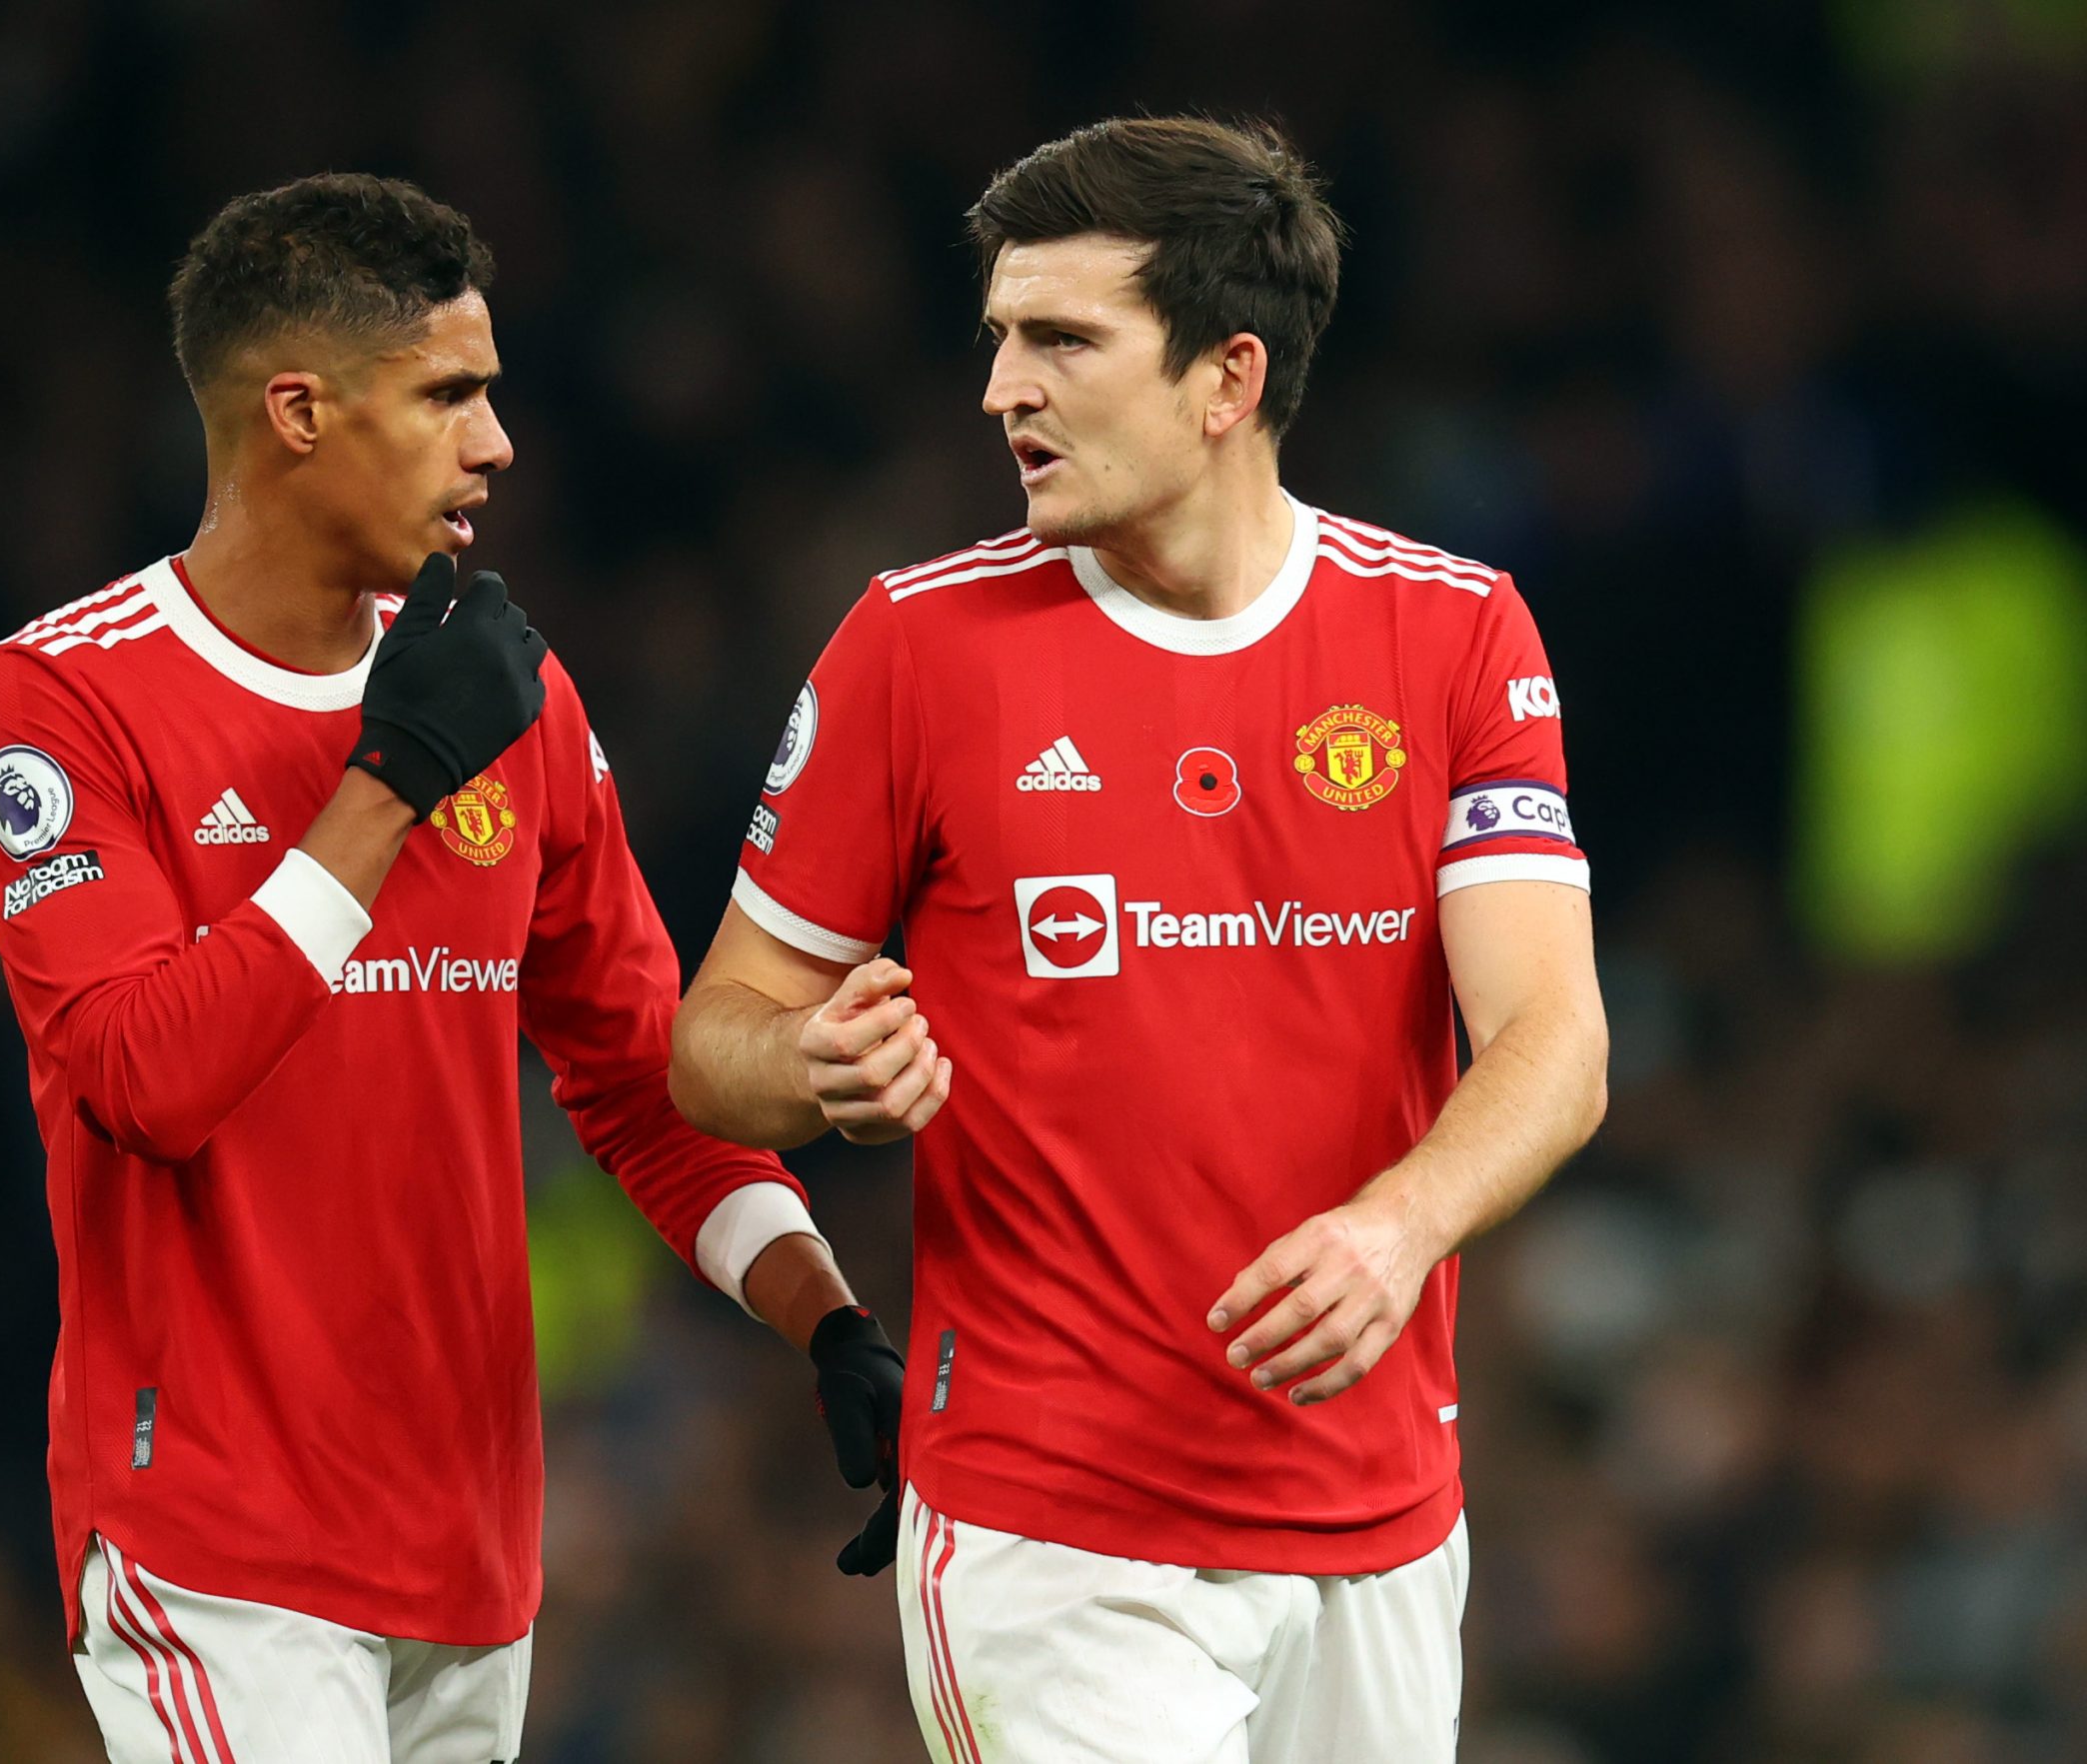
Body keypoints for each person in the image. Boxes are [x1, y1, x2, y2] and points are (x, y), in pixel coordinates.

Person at [670, 117, 1609, 1763]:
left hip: (1380, 1511)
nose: (1000, 390)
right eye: (998, 340)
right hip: (1053, 1534)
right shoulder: (918, 648)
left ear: (1226, 378)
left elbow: (1556, 1037)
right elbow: (714, 1039)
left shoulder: (1453, 633)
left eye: (1060, 340)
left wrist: (1399, 1231)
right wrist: (812, 1064)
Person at [0, 173, 896, 1763]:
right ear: (301, 411)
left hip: (468, 1550)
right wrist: (389, 784)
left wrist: (827, 1318)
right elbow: (143, 1079)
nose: (497, 443)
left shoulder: (509, 701)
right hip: (222, 1547)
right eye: (450, 394)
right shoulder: (62, 701)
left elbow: (640, 1078)